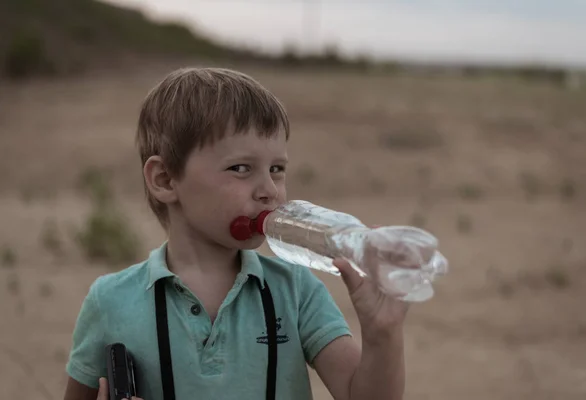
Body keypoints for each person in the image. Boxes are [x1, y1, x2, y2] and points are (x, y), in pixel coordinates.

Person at [63, 67, 410, 400]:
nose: (269, 190)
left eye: (276, 169)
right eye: (240, 168)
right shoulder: (110, 302)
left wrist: (383, 334)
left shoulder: (296, 290)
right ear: (165, 179)